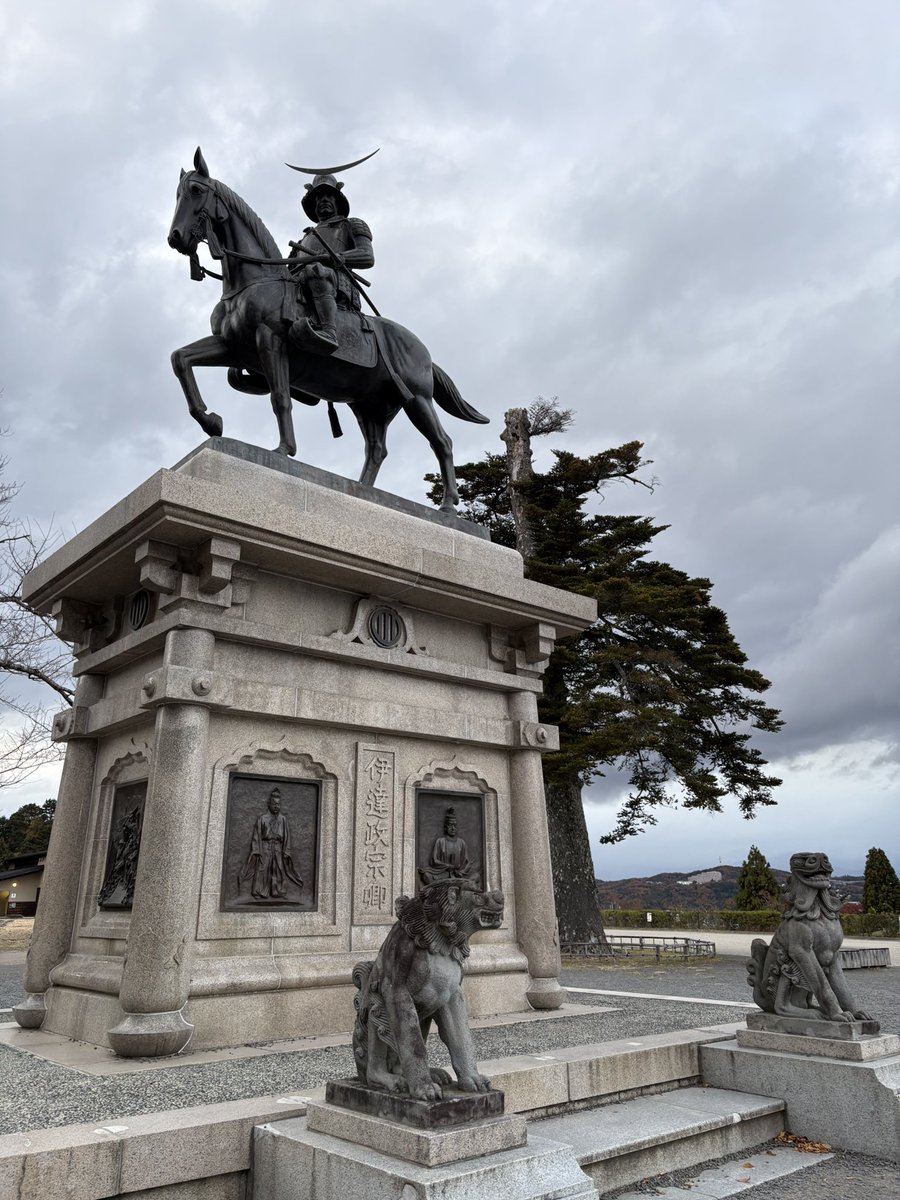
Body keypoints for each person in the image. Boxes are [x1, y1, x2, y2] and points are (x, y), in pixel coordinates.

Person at [287, 173, 374, 352]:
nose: (324, 200)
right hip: (302, 284)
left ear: (338, 201)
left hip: (337, 283)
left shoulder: (351, 224)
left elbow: (367, 256)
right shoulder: (304, 239)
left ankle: (329, 331)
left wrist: (337, 257)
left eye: (329, 196)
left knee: (316, 270)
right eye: (319, 197)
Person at [241, 787, 304, 900]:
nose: (276, 806)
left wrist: (286, 850)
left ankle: (278, 891)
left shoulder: (283, 819)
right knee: (262, 869)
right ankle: (258, 891)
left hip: (278, 847)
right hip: (265, 847)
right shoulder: (262, 819)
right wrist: (257, 850)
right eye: (274, 804)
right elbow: (257, 836)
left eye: (278, 804)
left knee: (278, 869)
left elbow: (287, 836)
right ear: (268, 804)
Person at [419, 807, 474, 885]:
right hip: (442, 872)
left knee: (475, 876)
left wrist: (462, 871)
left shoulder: (461, 842)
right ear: (445, 827)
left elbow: (466, 862)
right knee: (426, 875)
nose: (453, 828)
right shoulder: (440, 841)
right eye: (450, 825)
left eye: (454, 825)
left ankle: (448, 883)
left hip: (457, 873)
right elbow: (434, 860)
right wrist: (447, 866)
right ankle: (452, 883)